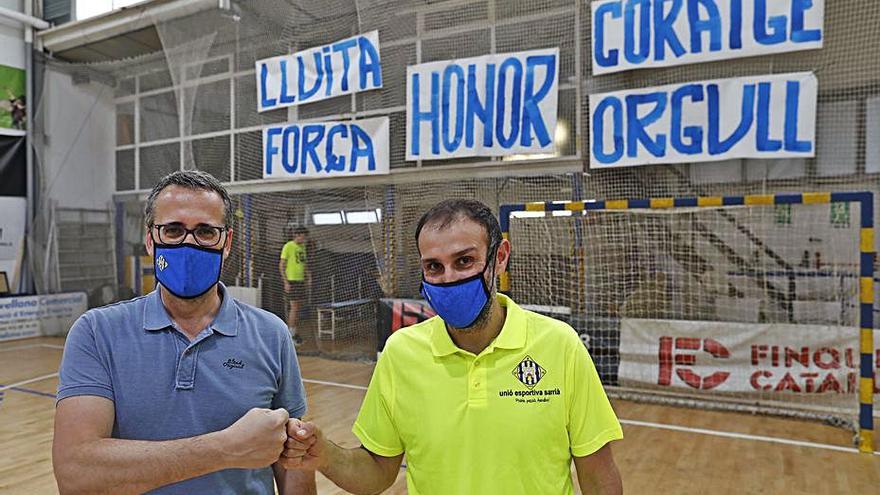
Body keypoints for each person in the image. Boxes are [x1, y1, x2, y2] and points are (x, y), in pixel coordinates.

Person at [283, 199, 624, 494]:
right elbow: (377, 471)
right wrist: (325, 453)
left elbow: (597, 474)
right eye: (434, 266)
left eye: (464, 261)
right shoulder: (401, 352)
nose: (449, 278)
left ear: (499, 257)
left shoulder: (560, 344)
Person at [52, 170, 316, 494]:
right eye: (174, 230)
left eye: (206, 231)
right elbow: (76, 473)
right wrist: (225, 448)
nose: (189, 243)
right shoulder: (96, 332)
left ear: (227, 242)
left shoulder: (271, 334)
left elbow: (294, 461)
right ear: (150, 240)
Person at [279, 226, 309, 345]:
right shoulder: (288, 246)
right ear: (297, 235)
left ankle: (295, 333)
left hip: (301, 281)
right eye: (303, 236)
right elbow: (281, 265)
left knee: (298, 308)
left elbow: (303, 263)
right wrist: (286, 282)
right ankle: (290, 335)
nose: (304, 239)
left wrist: (308, 276)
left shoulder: (302, 247)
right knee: (294, 308)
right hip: (292, 281)